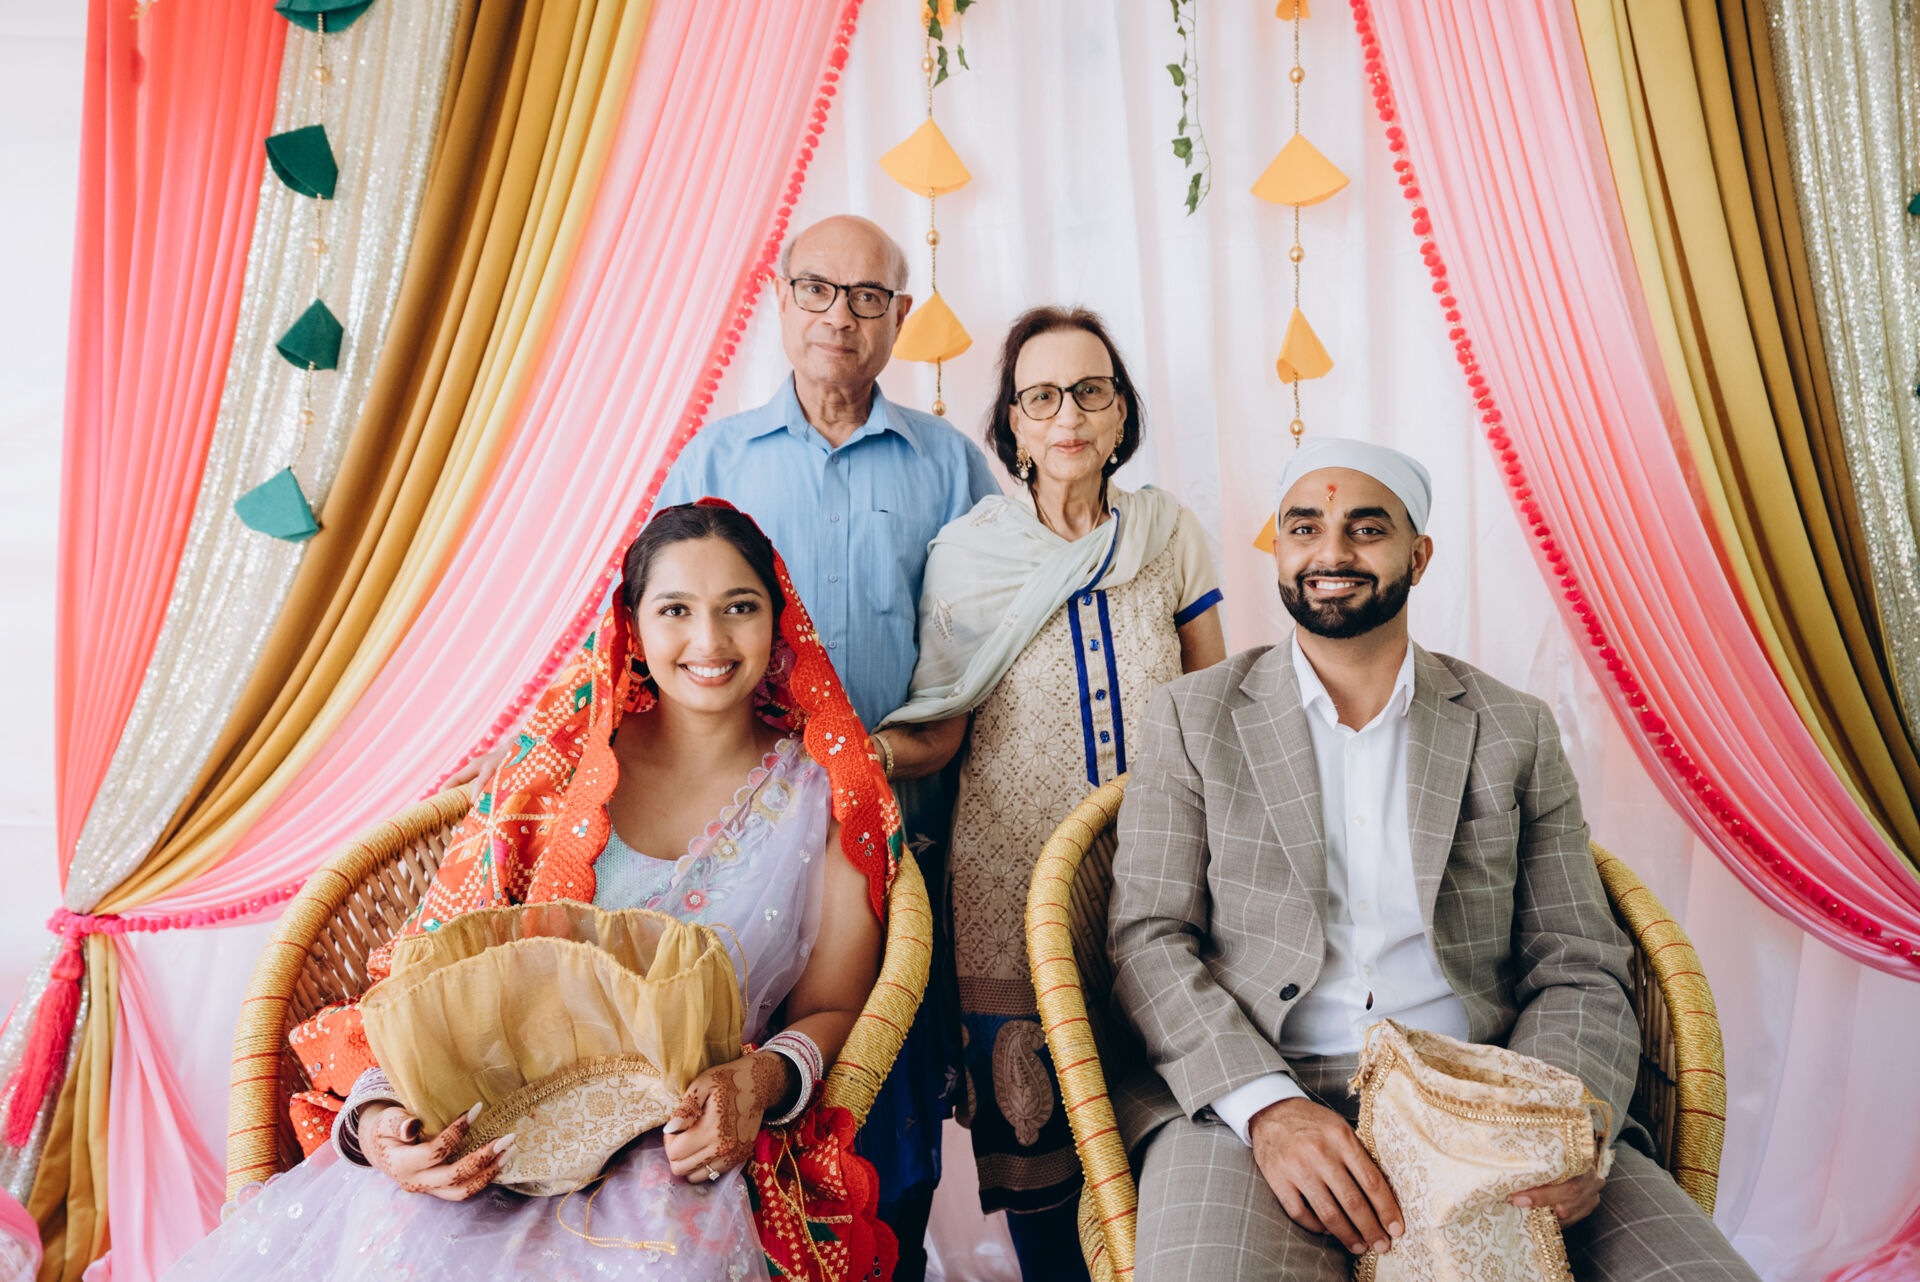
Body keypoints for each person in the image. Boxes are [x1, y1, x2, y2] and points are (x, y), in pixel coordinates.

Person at [456, 215, 1001, 1279]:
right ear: (780, 299)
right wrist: (535, 749)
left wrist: (862, 767)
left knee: (885, 1114)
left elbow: (988, 645)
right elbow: (651, 616)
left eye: (869, 296)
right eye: (817, 289)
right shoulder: (715, 459)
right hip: (725, 803)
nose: (840, 315)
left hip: (890, 836)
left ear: (900, 315)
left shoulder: (950, 466)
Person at [166, 502, 898, 1282]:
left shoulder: (828, 798)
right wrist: (383, 1121)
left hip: (682, 1144)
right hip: (492, 1125)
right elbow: (427, 976)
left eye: (739, 608)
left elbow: (833, 1007)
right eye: (676, 610)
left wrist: (760, 1081)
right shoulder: (556, 770)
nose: (710, 640)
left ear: (778, 622)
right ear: (632, 626)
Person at [1106, 439, 1760, 1281]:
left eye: (1366, 529)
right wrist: (1267, 1110)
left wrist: (1553, 1120)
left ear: (1418, 556)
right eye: (1304, 528)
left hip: (1486, 1091)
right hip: (1257, 1094)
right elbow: (1148, 939)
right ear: (1279, 549)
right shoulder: (1193, 717)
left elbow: (1579, 961)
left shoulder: (1512, 728)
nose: (1331, 553)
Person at [875, 307, 1225, 1279]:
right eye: (1042, 396)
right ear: (1014, 426)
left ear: (1121, 416)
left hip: (1162, 890)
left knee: (1177, 1158)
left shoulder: (1166, 535)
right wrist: (842, 757)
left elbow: (1214, 716)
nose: (1068, 414)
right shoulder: (968, 555)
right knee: (1045, 1175)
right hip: (1013, 903)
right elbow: (942, 728)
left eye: (1090, 391)